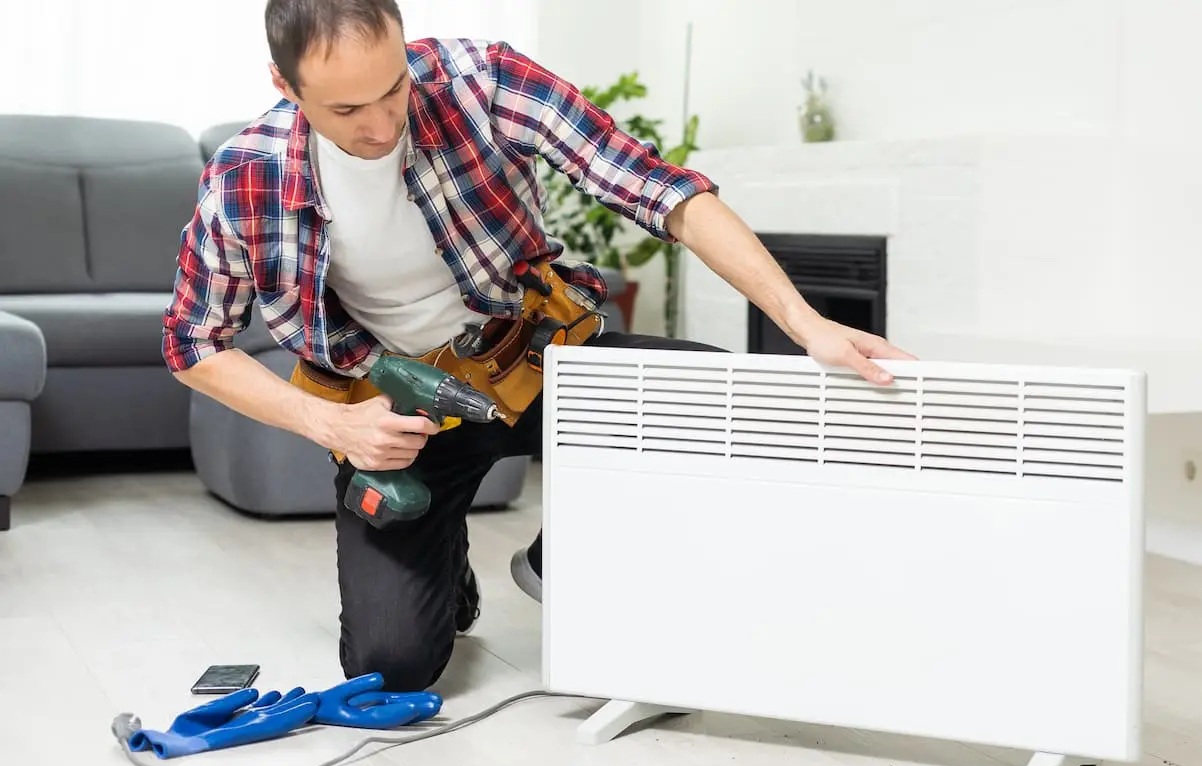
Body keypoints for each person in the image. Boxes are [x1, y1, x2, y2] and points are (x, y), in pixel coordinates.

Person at [162, 0, 915, 692]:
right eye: (348, 108)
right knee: (392, 666)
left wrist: (803, 322)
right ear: (284, 86)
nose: (384, 124)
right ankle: (443, 559)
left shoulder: (480, 82)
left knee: (710, 393)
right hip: (402, 423)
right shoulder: (244, 178)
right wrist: (330, 425)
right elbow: (194, 342)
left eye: (393, 88)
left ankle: (564, 557)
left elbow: (660, 189)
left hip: (532, 359)